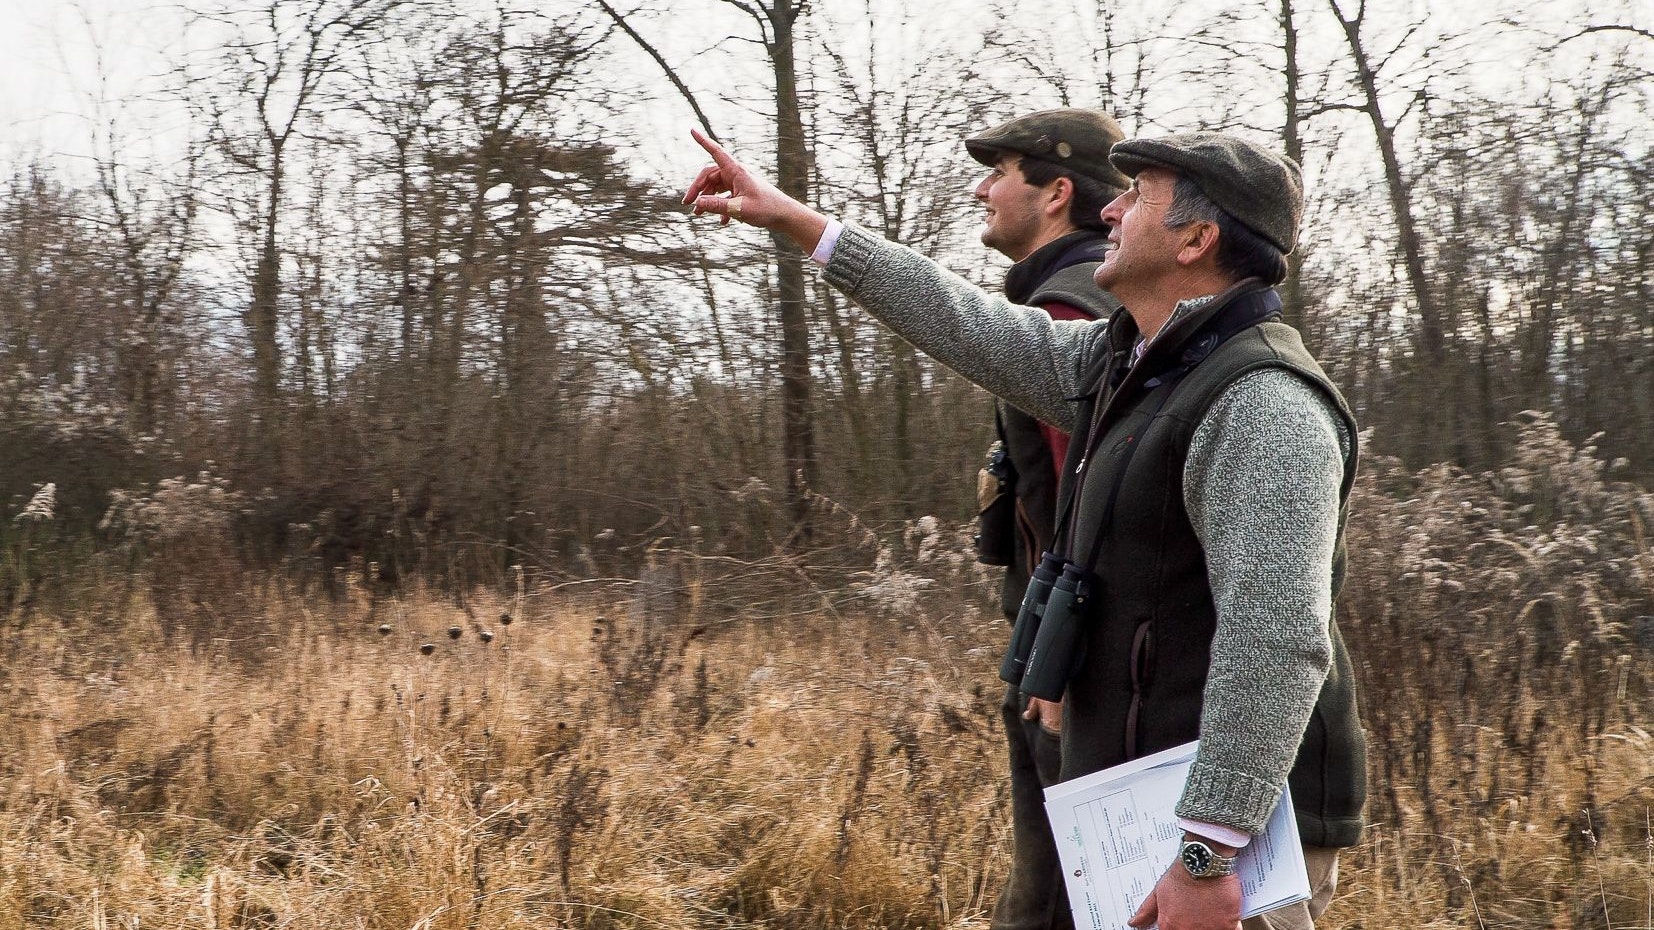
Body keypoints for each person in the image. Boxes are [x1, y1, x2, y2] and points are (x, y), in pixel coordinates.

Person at [683, 128, 1366, 930]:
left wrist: (1208, 850)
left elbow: (1277, 636)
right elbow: (959, 320)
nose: (1106, 210)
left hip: (1237, 827)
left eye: (1134, 196)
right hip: (1155, 804)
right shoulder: (1125, 366)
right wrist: (795, 221)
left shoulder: (1264, 404)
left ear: (1197, 239)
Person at [956, 108, 1127, 930]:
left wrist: (1059, 667)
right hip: (1062, 662)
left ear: (1057, 193)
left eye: (1001, 174)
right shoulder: (1075, 299)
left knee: (1060, 907)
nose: (983, 190)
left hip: (1071, 676)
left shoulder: (1069, 313)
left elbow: (1097, 509)